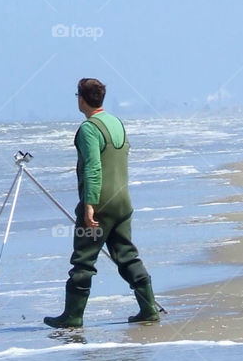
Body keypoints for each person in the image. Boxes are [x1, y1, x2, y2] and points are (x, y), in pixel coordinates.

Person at [44, 78, 158, 328]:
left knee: (83, 260)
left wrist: (89, 204)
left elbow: (93, 168)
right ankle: (149, 309)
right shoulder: (116, 123)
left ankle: (72, 316)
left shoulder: (89, 128)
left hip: (100, 204)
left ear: (81, 99)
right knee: (127, 255)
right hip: (122, 202)